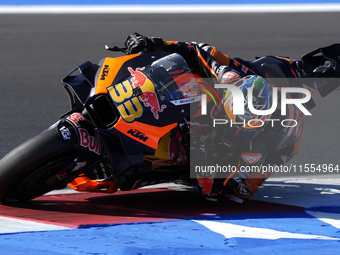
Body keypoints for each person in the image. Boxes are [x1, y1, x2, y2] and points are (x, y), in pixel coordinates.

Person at [124, 33, 304, 202]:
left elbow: (215, 192)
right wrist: (154, 44)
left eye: (237, 127)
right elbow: (199, 51)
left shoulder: (256, 151)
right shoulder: (230, 77)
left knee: (242, 189)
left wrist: (204, 164)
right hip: (247, 85)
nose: (229, 126)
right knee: (197, 79)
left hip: (251, 148)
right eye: (227, 118)